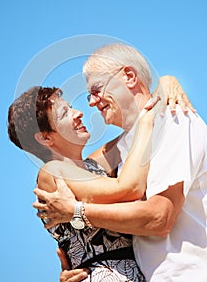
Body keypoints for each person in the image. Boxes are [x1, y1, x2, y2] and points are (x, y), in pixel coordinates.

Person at [33, 43, 207, 282]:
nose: (91, 103)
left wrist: (75, 212)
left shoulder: (172, 120)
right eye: (89, 95)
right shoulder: (125, 148)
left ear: (128, 76)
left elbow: (160, 217)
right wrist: (83, 263)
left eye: (97, 89)